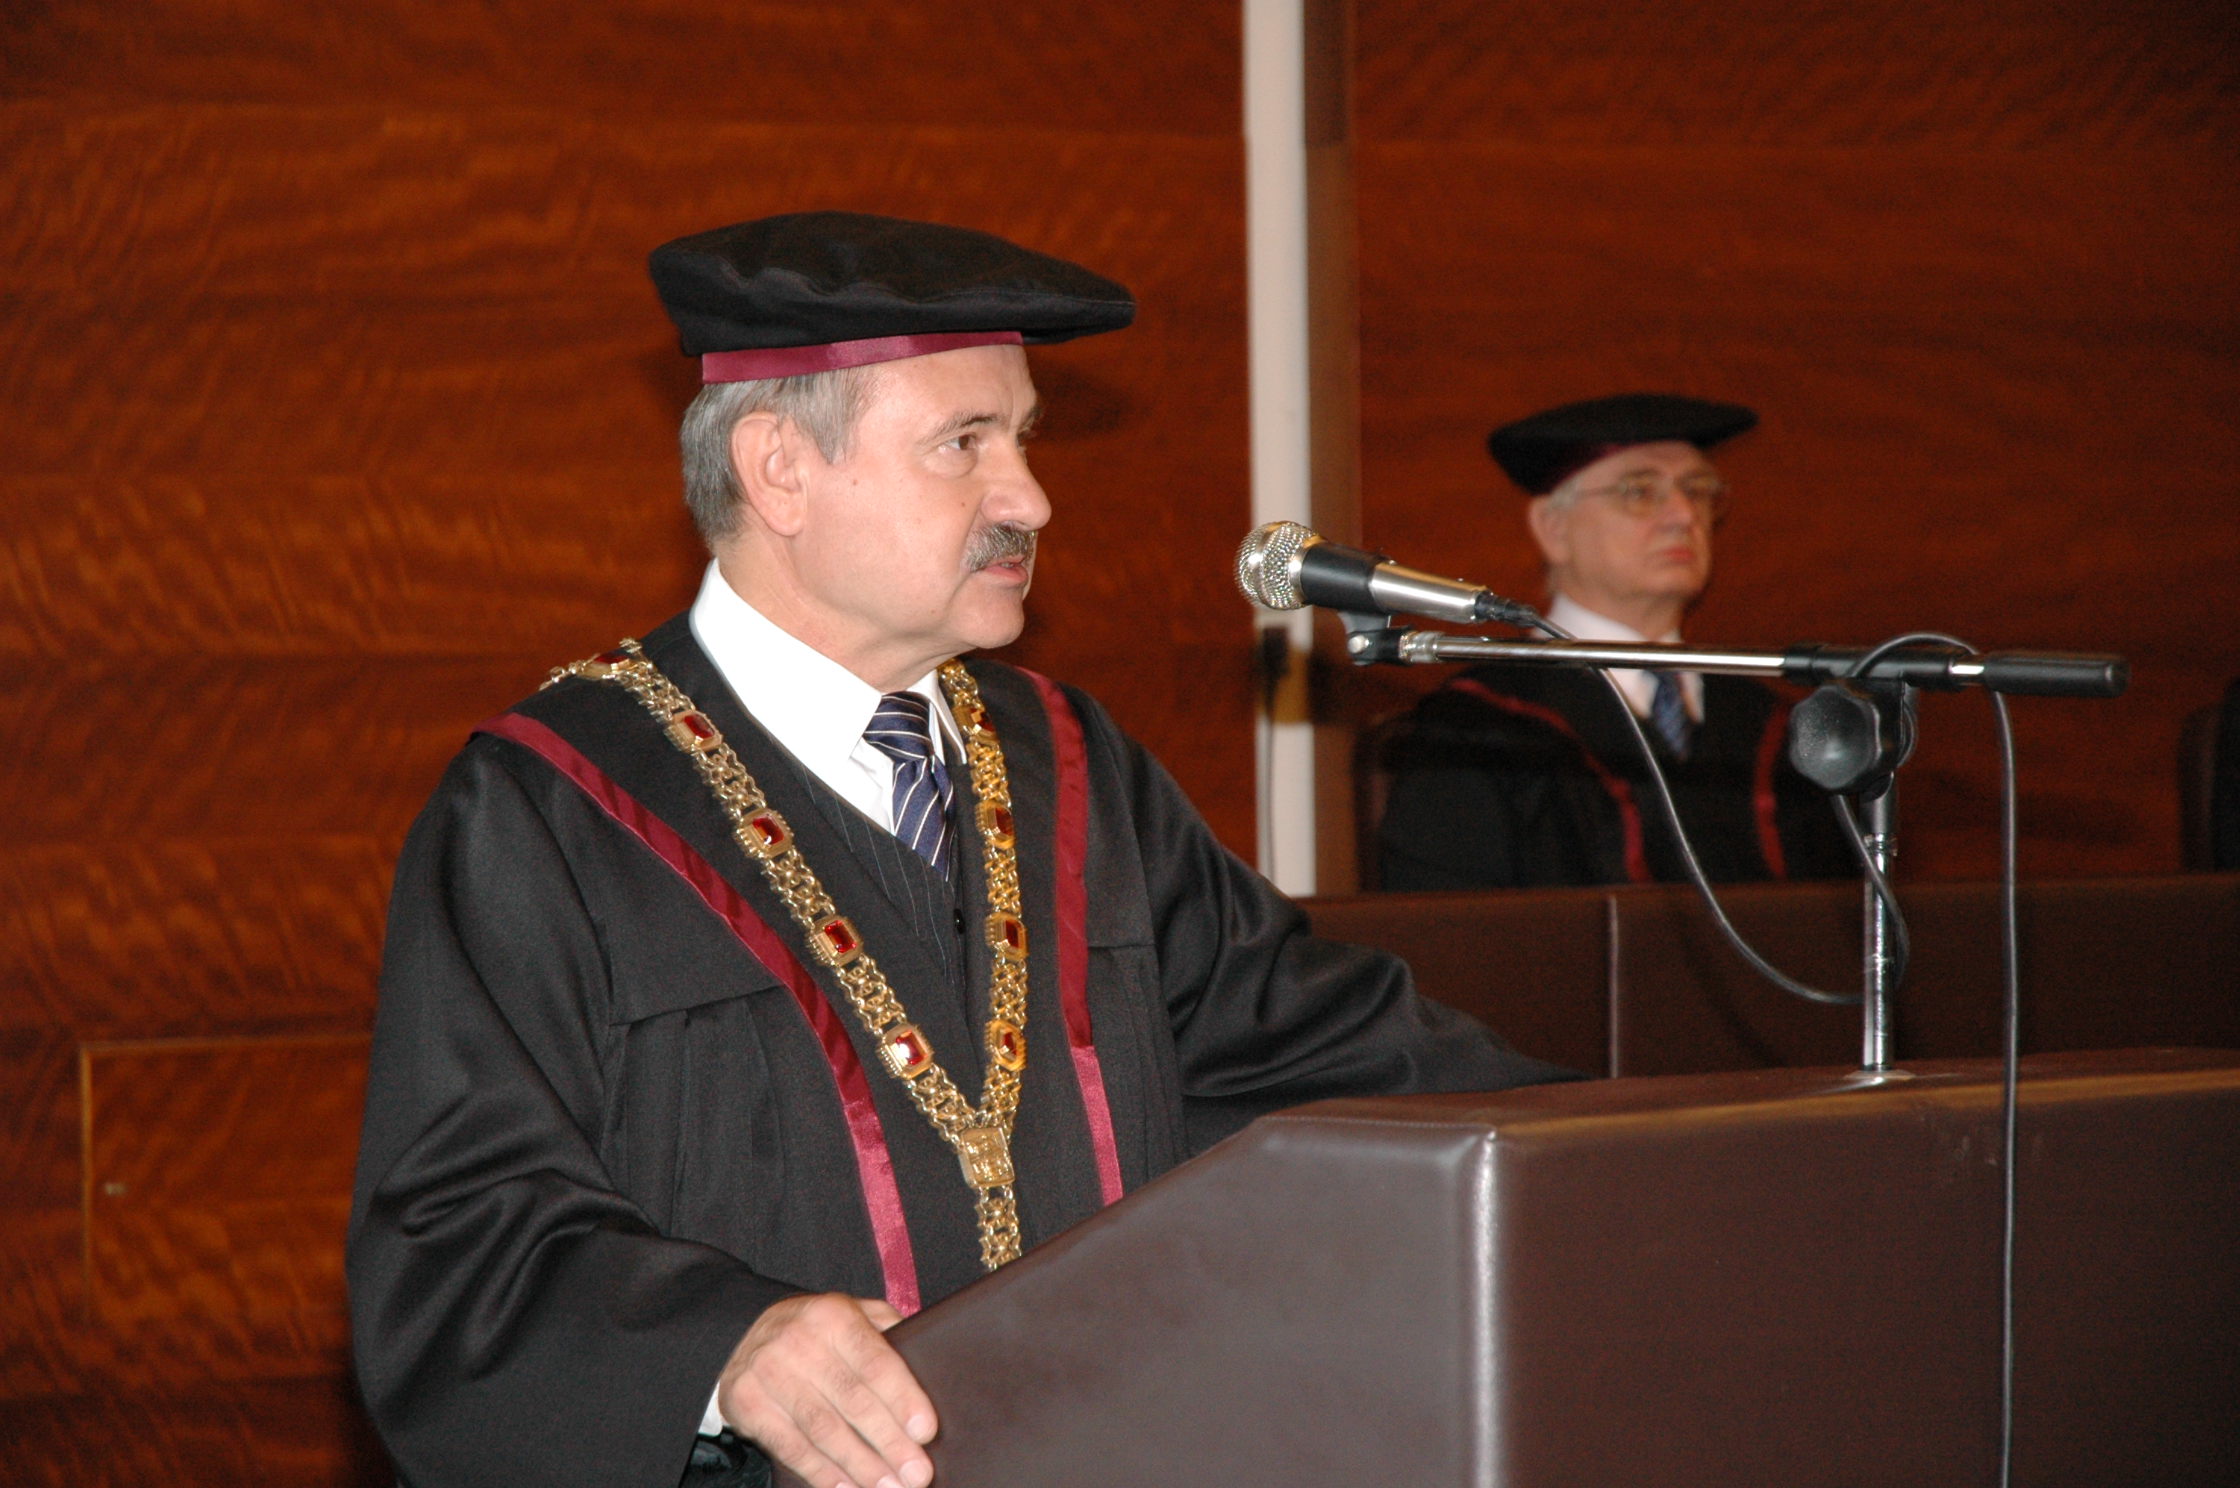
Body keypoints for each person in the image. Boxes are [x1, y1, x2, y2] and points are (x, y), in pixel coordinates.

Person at [347, 212, 1571, 1488]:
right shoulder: (556, 809)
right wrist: (720, 1344)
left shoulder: (1071, 767)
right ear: (778, 470)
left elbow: (1337, 1053)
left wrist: (1621, 1142)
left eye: (1023, 438)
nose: (1029, 498)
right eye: (964, 443)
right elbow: (458, 1241)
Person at [1376, 393, 1854, 891]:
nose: (1684, 516)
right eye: (1639, 491)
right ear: (1553, 527)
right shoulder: (1479, 727)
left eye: (1698, 490)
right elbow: (1452, 929)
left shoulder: (1773, 725)